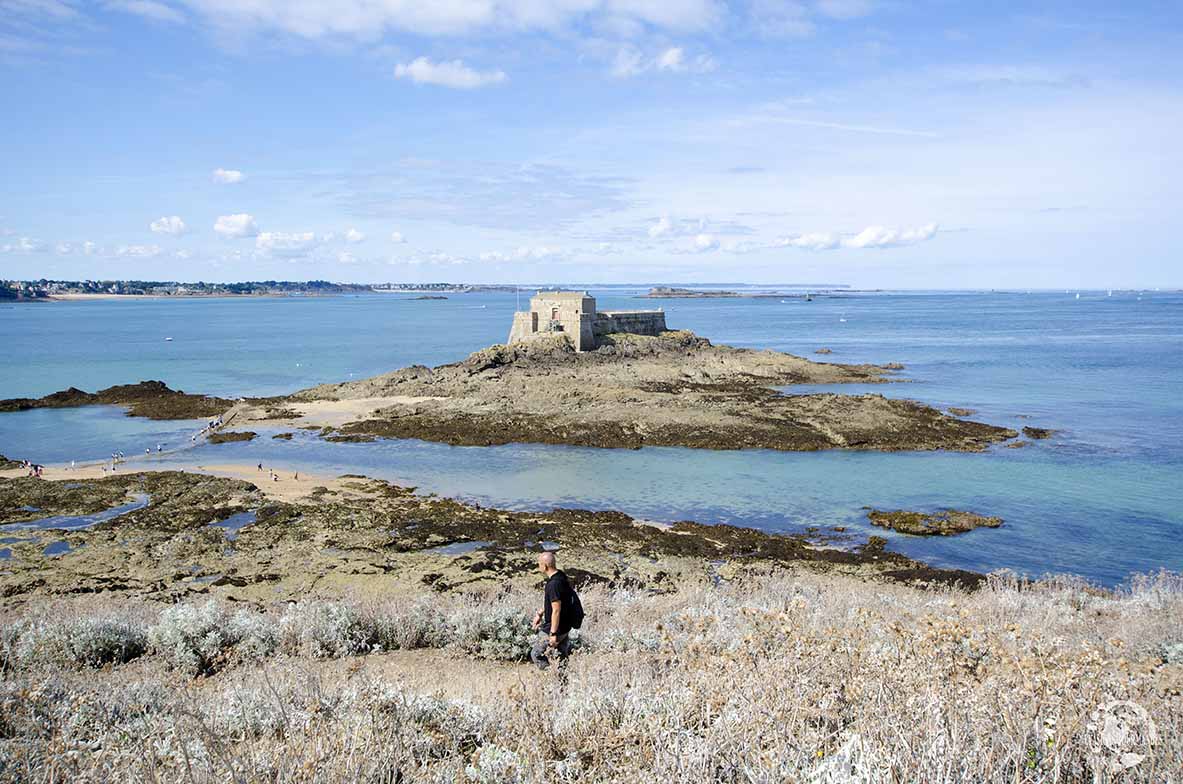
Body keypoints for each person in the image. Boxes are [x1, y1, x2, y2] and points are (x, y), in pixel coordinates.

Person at [530, 551, 581, 669]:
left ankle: (550, 675)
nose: (538, 567)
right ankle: (562, 683)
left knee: (536, 654)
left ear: (545, 566)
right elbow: (555, 601)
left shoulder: (553, 584)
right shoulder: (561, 576)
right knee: (562, 657)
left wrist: (553, 634)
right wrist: (540, 613)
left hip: (555, 628)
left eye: (539, 564)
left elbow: (556, 610)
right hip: (565, 626)